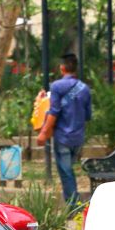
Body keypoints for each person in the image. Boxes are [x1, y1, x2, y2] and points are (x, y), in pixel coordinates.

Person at [37, 52, 92, 207]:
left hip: (63, 137)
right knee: (69, 171)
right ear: (75, 68)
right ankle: (74, 204)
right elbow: (88, 115)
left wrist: (43, 133)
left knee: (66, 172)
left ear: (62, 68)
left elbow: (54, 111)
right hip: (78, 138)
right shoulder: (85, 89)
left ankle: (74, 206)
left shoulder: (57, 86)